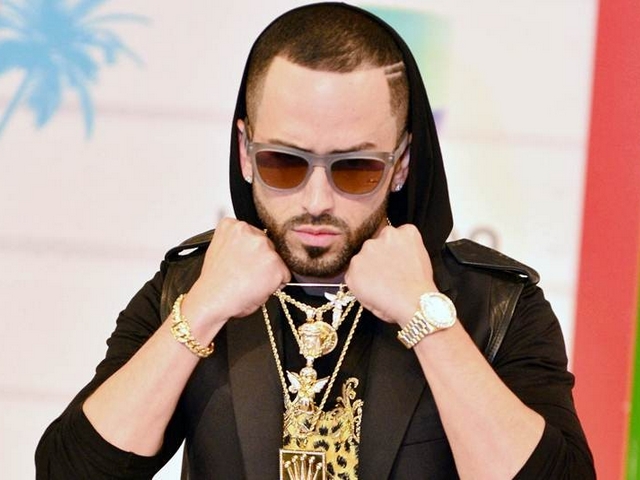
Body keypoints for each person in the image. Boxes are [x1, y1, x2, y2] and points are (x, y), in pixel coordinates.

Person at [35, 3, 595, 479]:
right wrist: (201, 313)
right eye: (284, 162)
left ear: (400, 164)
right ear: (245, 153)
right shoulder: (188, 287)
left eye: (355, 168)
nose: (317, 199)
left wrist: (427, 319)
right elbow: (68, 470)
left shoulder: (493, 305)